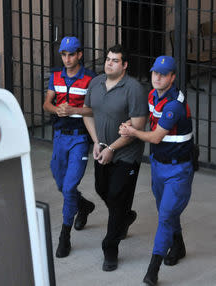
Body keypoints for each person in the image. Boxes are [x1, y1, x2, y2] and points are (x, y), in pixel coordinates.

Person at [119, 56, 195, 286]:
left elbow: (155, 136)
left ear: (172, 77)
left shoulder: (174, 105)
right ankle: (178, 244)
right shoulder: (153, 95)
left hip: (177, 170)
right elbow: (150, 125)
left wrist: (131, 132)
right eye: (155, 73)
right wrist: (131, 126)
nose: (158, 77)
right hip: (159, 165)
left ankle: (153, 270)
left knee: (164, 217)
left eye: (163, 74)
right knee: (166, 210)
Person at [83, 44, 148, 271]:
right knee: (102, 189)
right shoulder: (95, 83)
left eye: (115, 60)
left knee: (117, 193)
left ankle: (110, 247)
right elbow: (88, 112)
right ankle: (125, 217)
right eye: (108, 59)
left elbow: (137, 126)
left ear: (125, 65)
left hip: (127, 154)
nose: (109, 63)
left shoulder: (134, 89)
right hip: (102, 149)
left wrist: (112, 148)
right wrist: (97, 142)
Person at [43, 36, 96, 258]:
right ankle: (83, 206)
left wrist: (74, 111)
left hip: (79, 138)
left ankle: (65, 236)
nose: (66, 59)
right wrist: (57, 110)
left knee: (68, 188)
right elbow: (46, 103)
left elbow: (94, 110)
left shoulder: (90, 79)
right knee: (61, 183)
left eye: (71, 54)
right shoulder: (55, 76)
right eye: (64, 54)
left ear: (79, 55)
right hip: (59, 137)